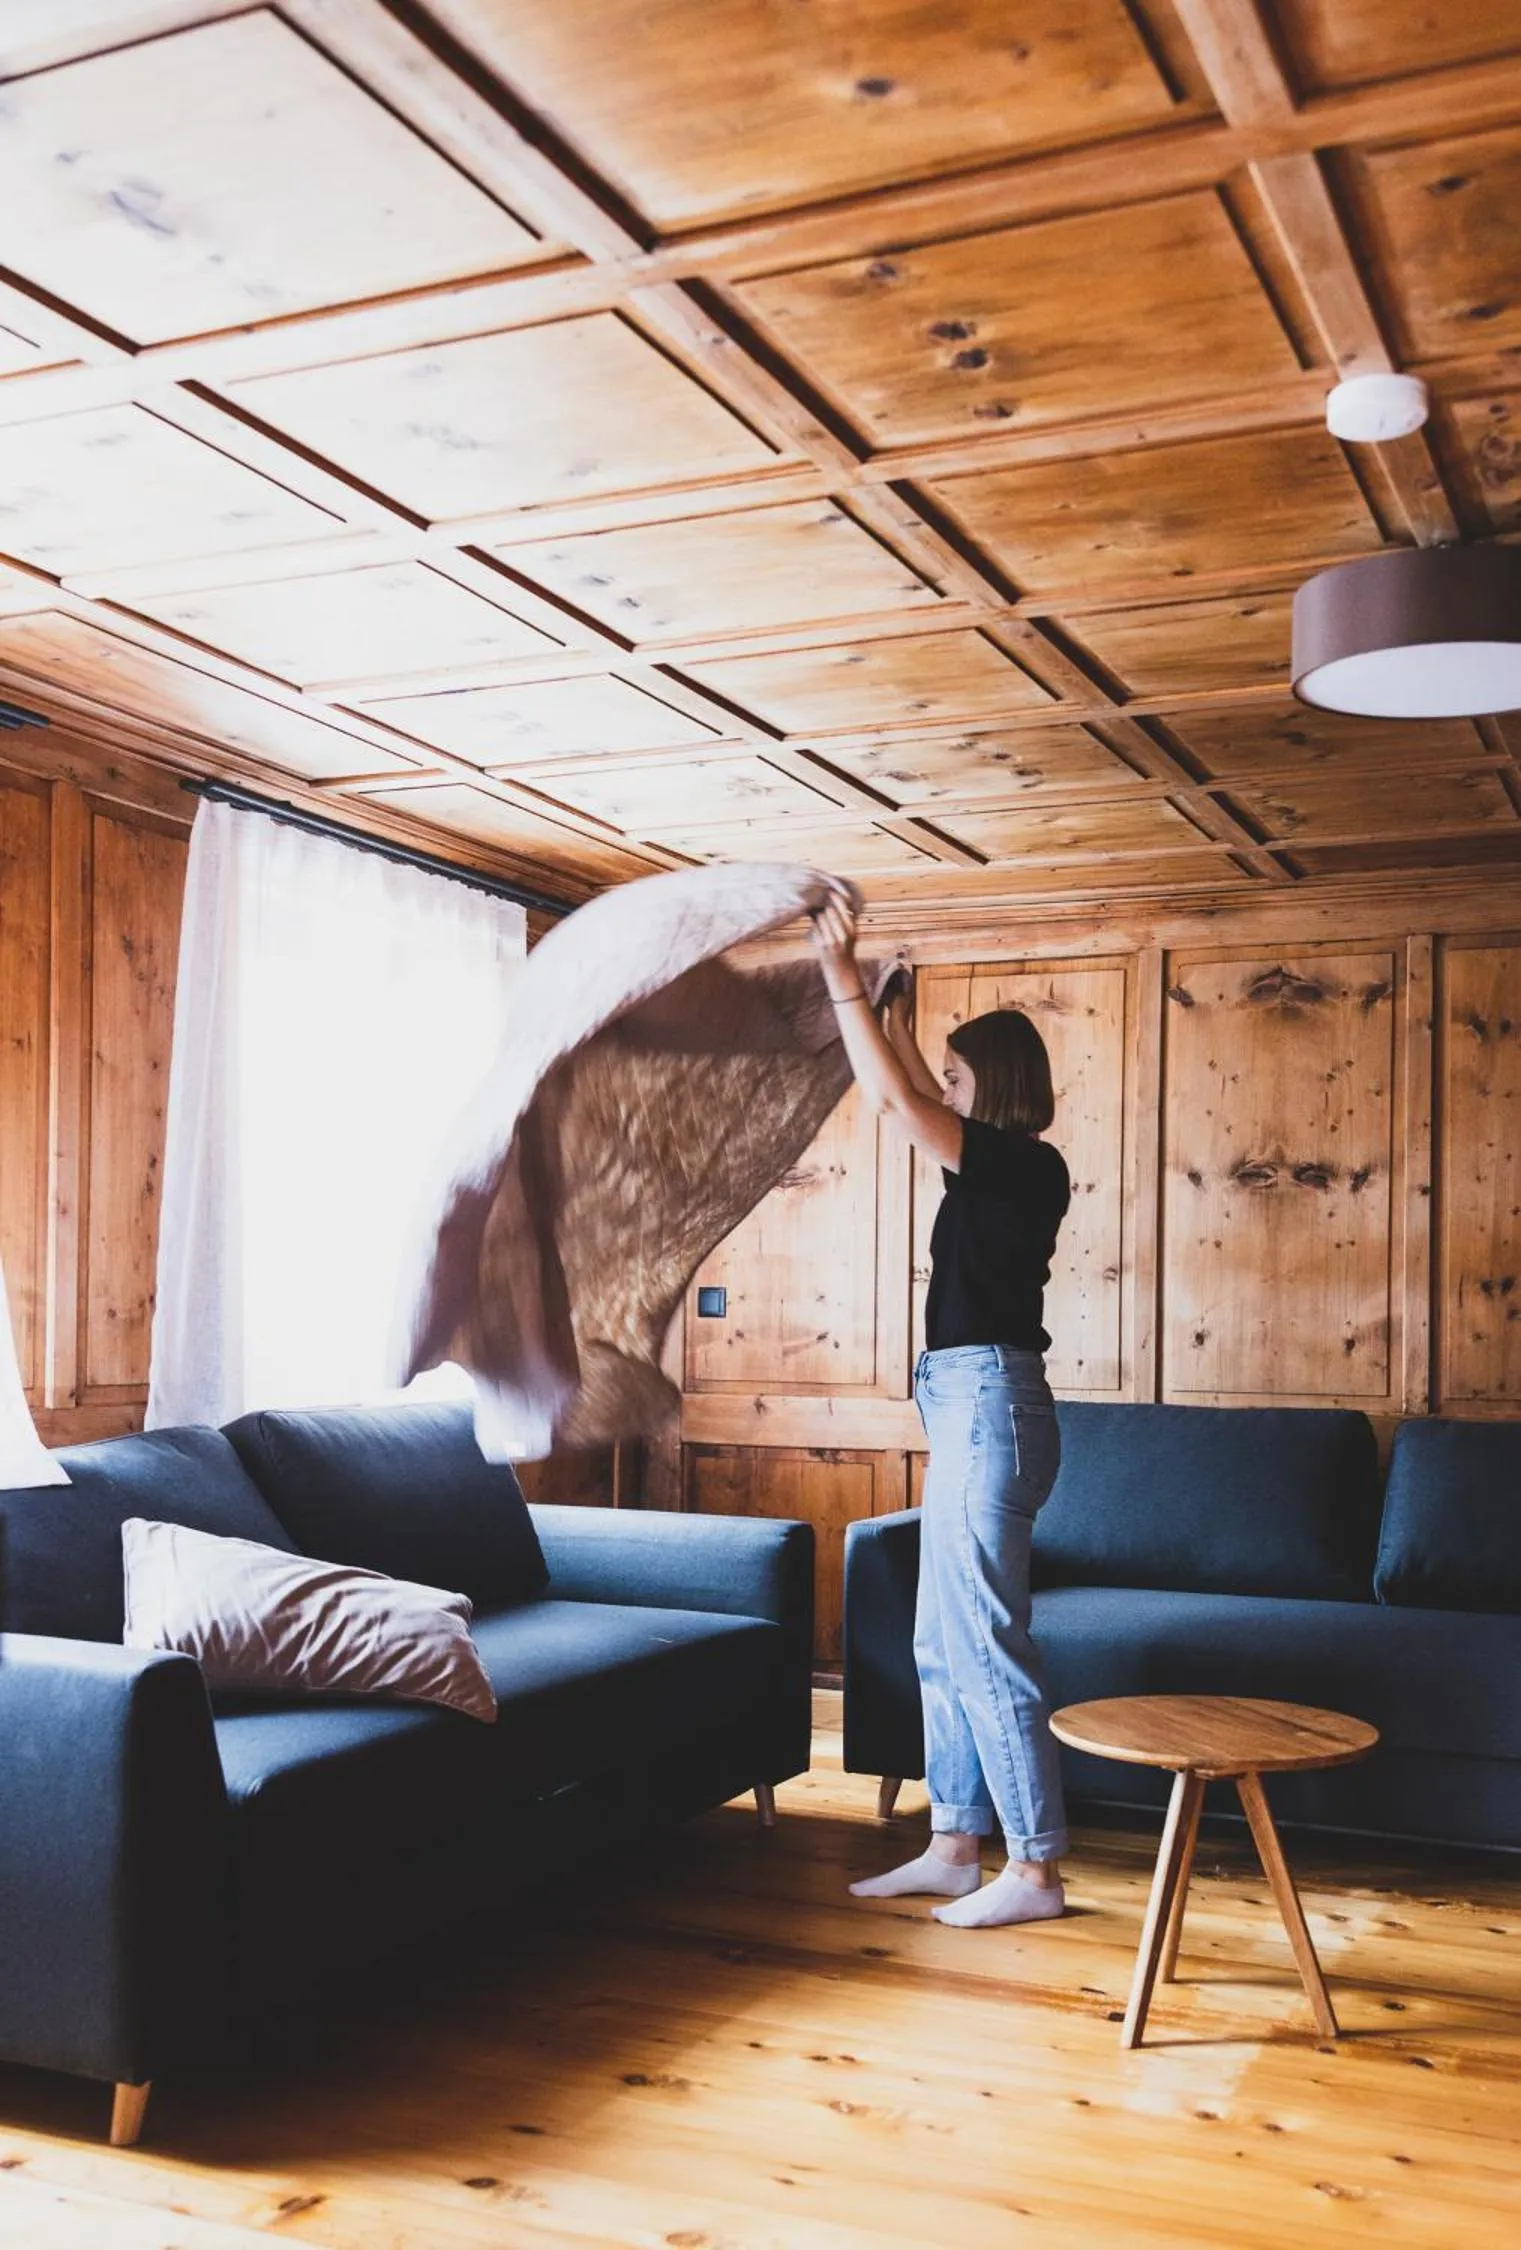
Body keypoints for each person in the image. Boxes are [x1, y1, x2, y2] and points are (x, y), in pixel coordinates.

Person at [810, 889, 1072, 1928]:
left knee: (983, 1641)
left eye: (963, 1076)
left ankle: (1036, 1871)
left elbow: (899, 1104)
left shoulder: (1021, 1166)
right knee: (936, 1640)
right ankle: (957, 1842)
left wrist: (842, 983)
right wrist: (897, 1018)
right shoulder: (992, 1170)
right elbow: (914, 1085)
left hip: (992, 1407)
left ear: (994, 1089)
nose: (945, 1089)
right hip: (967, 1404)